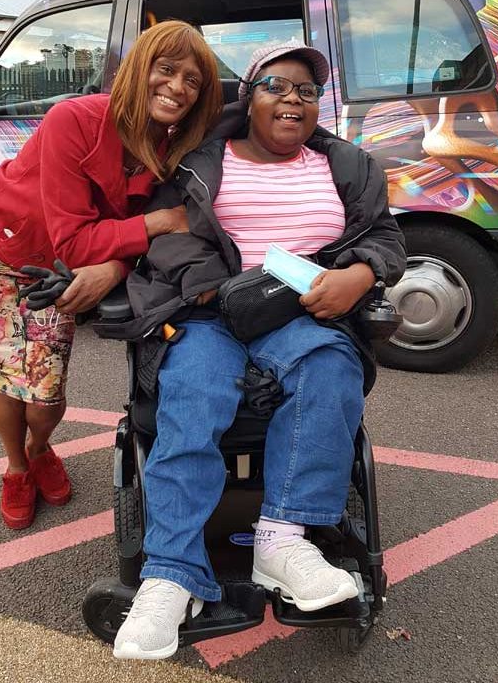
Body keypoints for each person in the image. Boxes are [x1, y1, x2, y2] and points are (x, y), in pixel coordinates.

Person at [110, 41, 406, 660]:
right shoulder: (199, 163)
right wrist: (227, 289)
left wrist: (360, 274)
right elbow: (166, 245)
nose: (293, 99)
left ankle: (281, 539)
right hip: (212, 311)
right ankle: (171, 575)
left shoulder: (347, 166)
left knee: (331, 365)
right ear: (249, 96)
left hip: (304, 310)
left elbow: (384, 237)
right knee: (192, 385)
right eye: (277, 85)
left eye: (306, 90)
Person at [0, 21, 223, 531]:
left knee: (45, 390)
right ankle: (17, 468)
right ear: (140, 71)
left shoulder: (173, 146)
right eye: (166, 70)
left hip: (51, 269)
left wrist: (114, 265)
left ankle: (40, 445)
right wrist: (159, 222)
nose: (178, 87)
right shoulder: (73, 118)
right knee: (11, 378)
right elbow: (78, 242)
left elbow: (117, 241)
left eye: (192, 80)